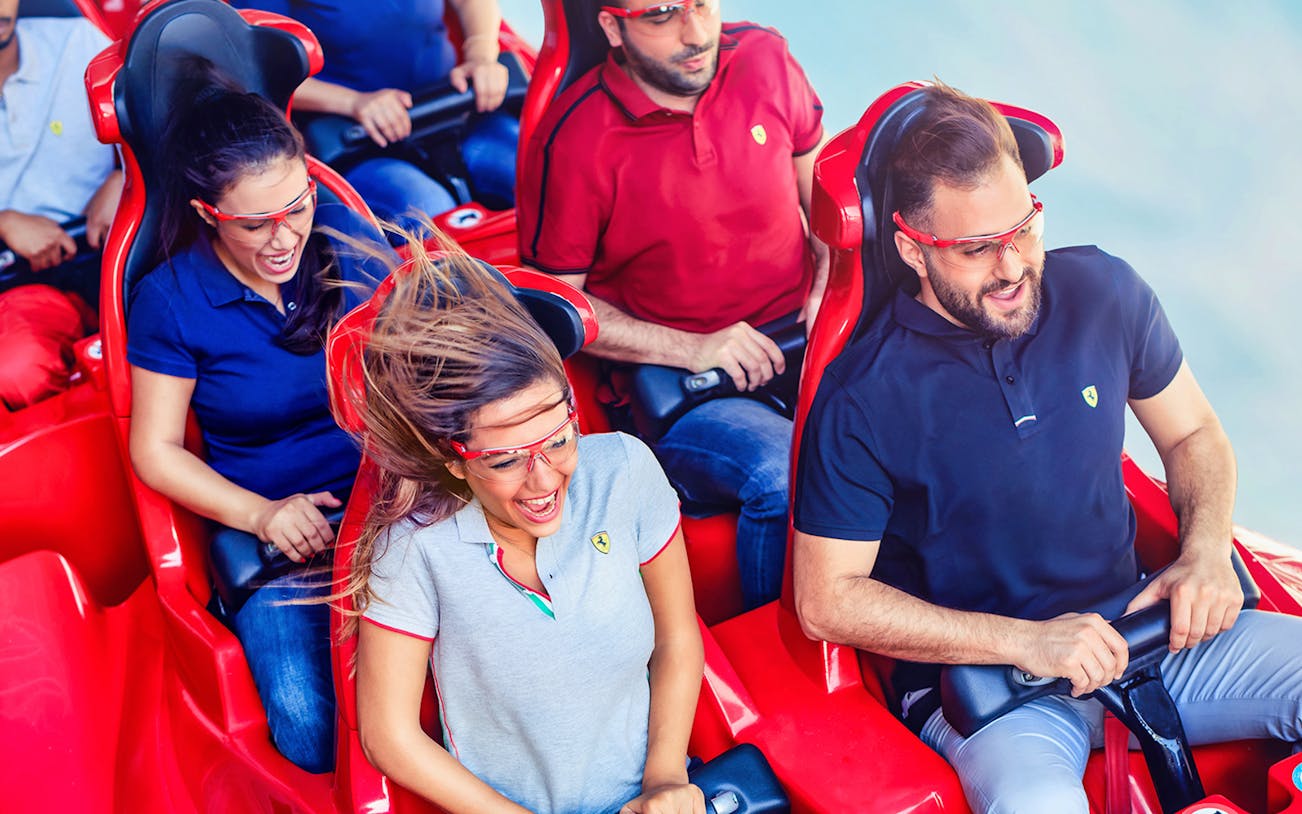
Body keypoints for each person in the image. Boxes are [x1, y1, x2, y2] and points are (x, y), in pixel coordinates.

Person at [791, 81, 1302, 813]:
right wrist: (1025, 643)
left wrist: (1206, 549)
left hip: (1149, 629)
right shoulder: (862, 397)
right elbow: (826, 601)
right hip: (993, 690)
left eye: (1023, 229)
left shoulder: (1105, 292)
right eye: (975, 249)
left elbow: (1194, 432)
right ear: (910, 247)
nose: (1010, 267)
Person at [340, 244, 705, 813]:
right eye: (506, 460)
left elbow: (677, 637)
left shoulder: (626, 470)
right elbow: (389, 735)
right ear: (453, 457)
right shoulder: (414, 547)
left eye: (560, 439)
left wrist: (663, 778)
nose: (543, 481)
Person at [516, 0, 828, 609]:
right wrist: (696, 348)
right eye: (660, 16)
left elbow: (821, 195)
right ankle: (782, 656)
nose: (694, 34)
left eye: (701, 5)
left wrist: (825, 285)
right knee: (784, 478)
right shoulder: (576, 136)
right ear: (612, 27)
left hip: (804, 337)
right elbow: (555, 305)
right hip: (680, 386)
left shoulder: (765, 56)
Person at [126, 71, 386, 773]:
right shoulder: (170, 299)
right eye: (254, 224)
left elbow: (422, 362)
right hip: (280, 535)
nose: (284, 238)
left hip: (393, 502)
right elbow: (154, 450)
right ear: (208, 214)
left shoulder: (343, 234)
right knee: (308, 726)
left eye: (296, 208)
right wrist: (263, 515)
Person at [234, 0, 519, 225]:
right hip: (356, 138)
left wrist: (480, 54)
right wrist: (355, 102)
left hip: (457, 107)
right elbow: (260, 69)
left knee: (527, 171)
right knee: (428, 208)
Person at [0, 0, 122, 410]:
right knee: (18, 369)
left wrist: (126, 173)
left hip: (121, 256)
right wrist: (3, 222)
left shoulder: (78, 41)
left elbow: (165, 125)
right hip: (18, 287)